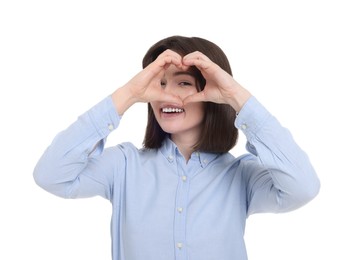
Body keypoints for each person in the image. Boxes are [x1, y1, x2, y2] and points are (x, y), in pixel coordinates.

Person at [33, 35, 320, 260]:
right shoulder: (124, 165)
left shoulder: (241, 175)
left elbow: (303, 187)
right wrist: (129, 94)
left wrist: (235, 96)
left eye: (183, 83)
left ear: (212, 95)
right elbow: (51, 175)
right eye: (158, 83)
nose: (165, 95)